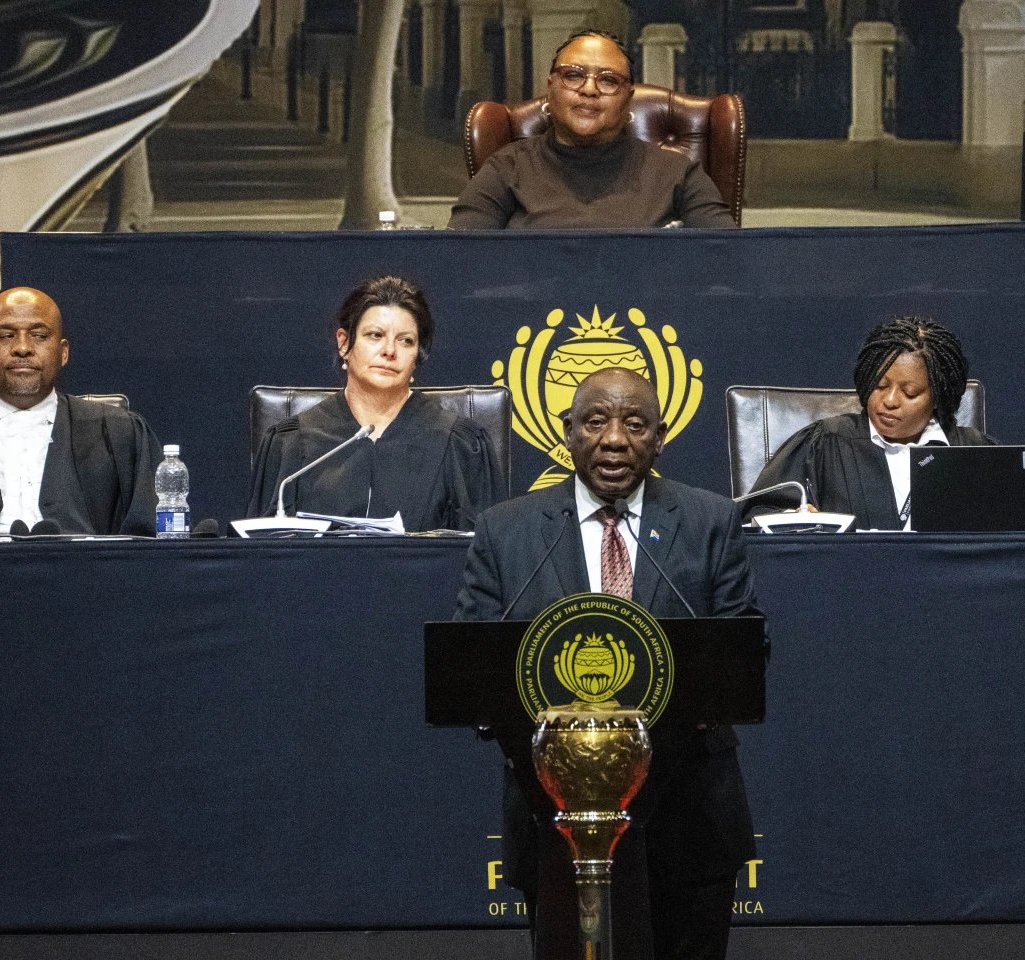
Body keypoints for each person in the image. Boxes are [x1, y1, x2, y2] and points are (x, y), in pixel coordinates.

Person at [454, 367, 761, 960]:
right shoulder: (506, 531)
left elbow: (740, 652)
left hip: (688, 811)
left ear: (660, 437)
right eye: (595, 421)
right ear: (567, 432)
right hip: (554, 816)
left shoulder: (709, 522)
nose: (614, 438)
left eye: (634, 423)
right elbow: (473, 665)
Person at [247, 276, 503, 530]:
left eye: (406, 340)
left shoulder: (458, 445)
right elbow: (263, 557)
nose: (389, 350)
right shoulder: (291, 443)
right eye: (375, 335)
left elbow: (483, 557)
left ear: (417, 356)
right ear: (344, 343)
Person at [0, 287, 161, 536]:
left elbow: (146, 542)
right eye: (6, 335)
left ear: (63, 352)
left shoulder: (120, 433)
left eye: (39, 335)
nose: (23, 348)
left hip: (83, 572)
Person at [448, 30, 735, 230]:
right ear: (550, 89)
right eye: (573, 75)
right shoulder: (506, 170)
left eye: (608, 81)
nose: (589, 90)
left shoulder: (676, 173)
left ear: (627, 100)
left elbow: (729, 261)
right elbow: (456, 261)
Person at [751, 316, 995, 530]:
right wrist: (794, 521)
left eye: (909, 393)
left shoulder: (973, 451)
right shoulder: (825, 443)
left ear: (937, 398)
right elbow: (756, 516)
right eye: (880, 385)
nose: (889, 401)